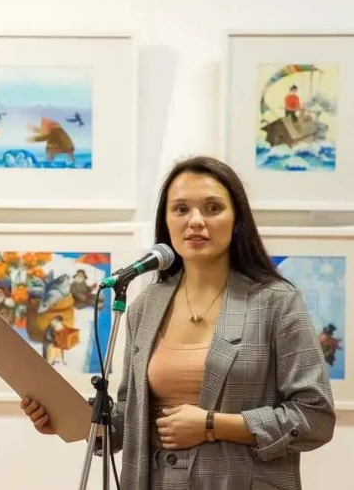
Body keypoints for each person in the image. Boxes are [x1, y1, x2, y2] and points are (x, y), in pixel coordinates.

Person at [20, 156, 335, 489]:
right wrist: (71, 419)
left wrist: (212, 424)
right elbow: (130, 419)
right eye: (181, 209)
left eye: (212, 208)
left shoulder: (276, 302)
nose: (195, 221)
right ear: (166, 221)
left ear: (237, 220)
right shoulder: (145, 306)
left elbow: (315, 417)